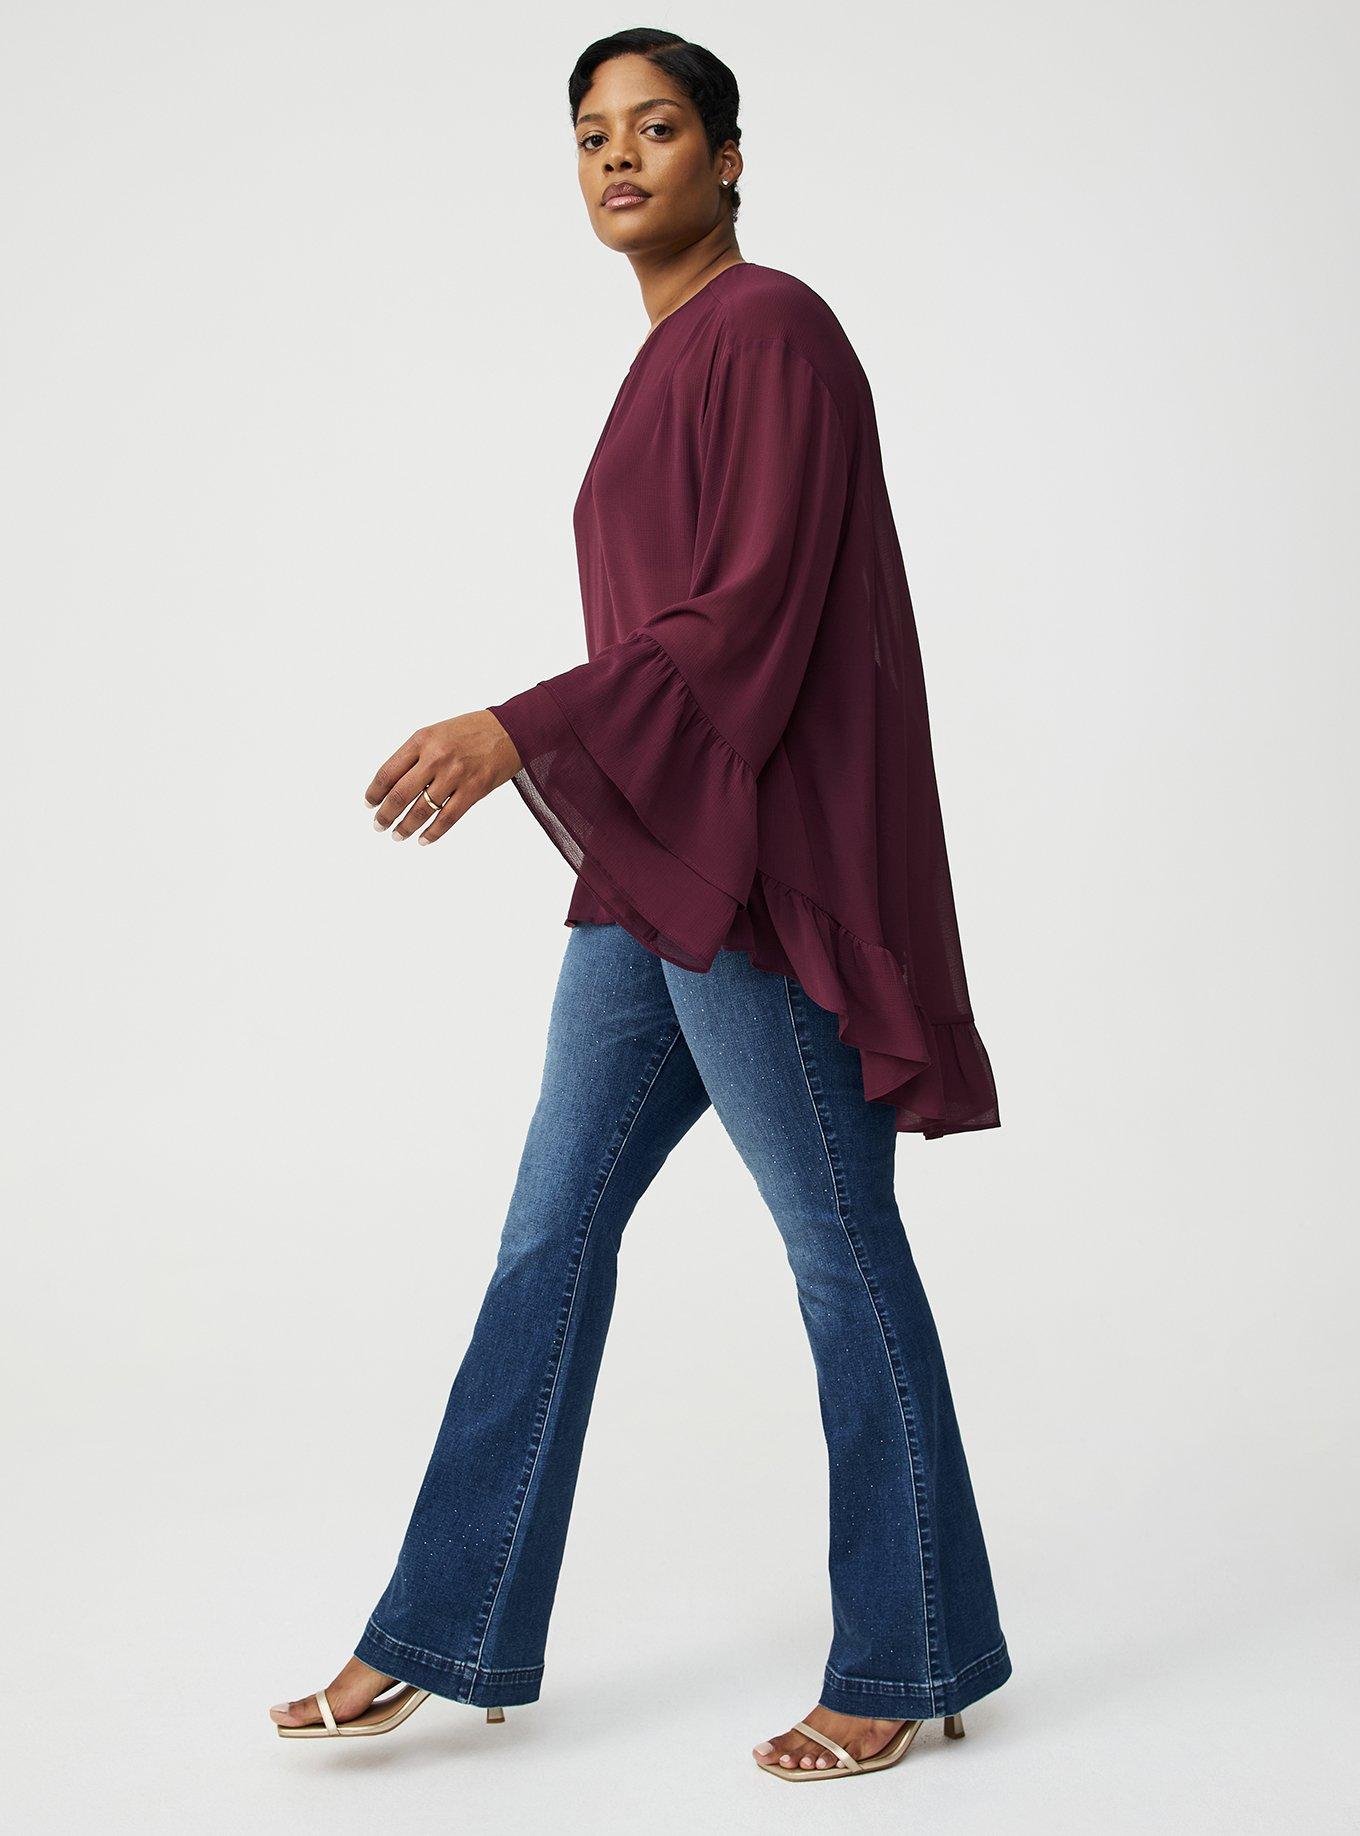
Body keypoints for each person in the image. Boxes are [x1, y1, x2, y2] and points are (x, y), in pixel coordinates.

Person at [269, 27, 1012, 1782]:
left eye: (657, 128)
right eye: (592, 134)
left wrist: (517, 725)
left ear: (729, 157)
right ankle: (442, 1628)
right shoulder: (667, 356)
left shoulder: (773, 330)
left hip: (758, 874)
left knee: (837, 1249)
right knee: (548, 1239)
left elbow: (739, 622)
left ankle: (908, 1653)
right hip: (657, 869)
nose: (618, 158)